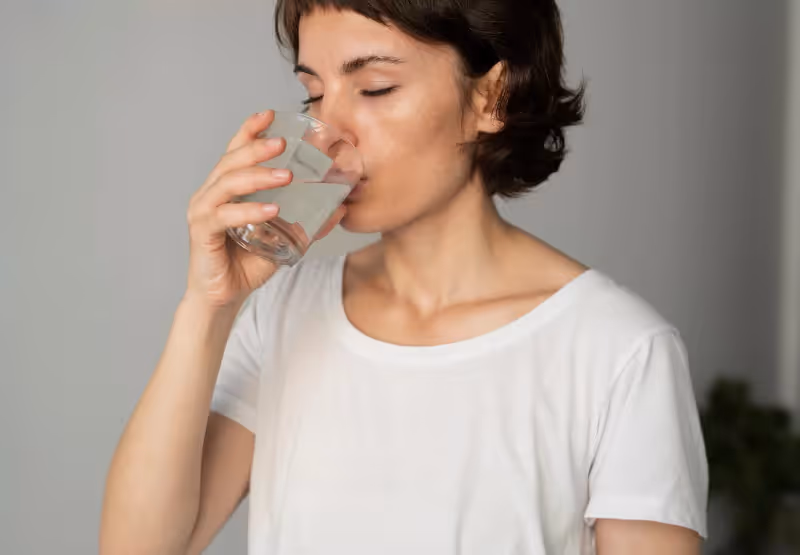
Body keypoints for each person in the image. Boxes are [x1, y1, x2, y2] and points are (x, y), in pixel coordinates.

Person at [100, 0, 708, 553]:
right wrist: (207, 307)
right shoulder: (286, 311)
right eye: (314, 95)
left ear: (489, 98)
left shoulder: (619, 351)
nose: (330, 133)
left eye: (375, 87)